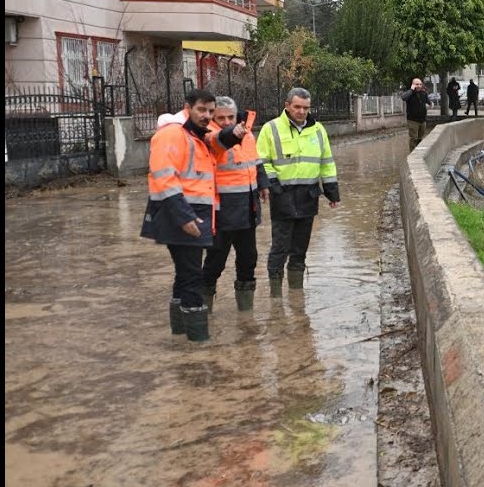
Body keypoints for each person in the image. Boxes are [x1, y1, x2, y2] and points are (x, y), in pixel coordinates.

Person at [140, 88, 248, 342]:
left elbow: (215, 143)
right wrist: (184, 217)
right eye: (202, 110)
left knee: (184, 273)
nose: (207, 115)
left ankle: (180, 334)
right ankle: (199, 343)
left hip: (189, 213)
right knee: (192, 276)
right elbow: (164, 178)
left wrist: (233, 135)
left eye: (211, 111)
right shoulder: (172, 135)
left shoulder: (197, 135)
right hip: (180, 214)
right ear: (187, 107)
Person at [255, 87, 341, 298]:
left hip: (308, 196)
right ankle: (276, 297)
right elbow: (261, 161)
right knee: (280, 247)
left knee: (300, 248)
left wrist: (332, 192)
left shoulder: (318, 130)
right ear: (287, 106)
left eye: (305, 107)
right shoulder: (271, 128)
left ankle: (296, 295)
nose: (301, 111)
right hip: (282, 194)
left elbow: (326, 162)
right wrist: (273, 186)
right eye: (297, 107)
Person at [201, 96, 266, 314]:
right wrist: (232, 133)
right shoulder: (207, 134)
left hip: (248, 208)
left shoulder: (247, 134)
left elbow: (255, 161)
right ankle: (202, 310)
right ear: (212, 117)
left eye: (230, 117)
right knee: (215, 263)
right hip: (222, 213)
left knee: (249, 260)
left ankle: (246, 316)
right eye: (221, 117)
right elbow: (220, 141)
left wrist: (264, 184)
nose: (226, 121)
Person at [401, 78, 433, 149]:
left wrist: (431, 103)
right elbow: (403, 97)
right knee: (413, 138)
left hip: (422, 120)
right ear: (413, 85)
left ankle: (418, 152)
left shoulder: (423, 93)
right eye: (417, 84)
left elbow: (427, 100)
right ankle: (412, 154)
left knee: (420, 138)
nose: (418, 86)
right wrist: (411, 90)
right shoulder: (409, 93)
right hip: (413, 120)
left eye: (420, 84)